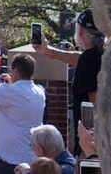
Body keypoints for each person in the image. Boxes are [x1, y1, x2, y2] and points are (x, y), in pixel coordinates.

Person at [33, 9, 103, 155]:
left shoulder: (89, 59)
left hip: (92, 144)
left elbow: (94, 106)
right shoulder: (101, 54)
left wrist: (88, 151)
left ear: (81, 32)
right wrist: (48, 52)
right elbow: (80, 58)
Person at [0, 54, 46, 174]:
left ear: (16, 70)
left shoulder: (8, 91)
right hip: (32, 158)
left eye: (11, 70)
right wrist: (11, 83)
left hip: (11, 162)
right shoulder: (39, 92)